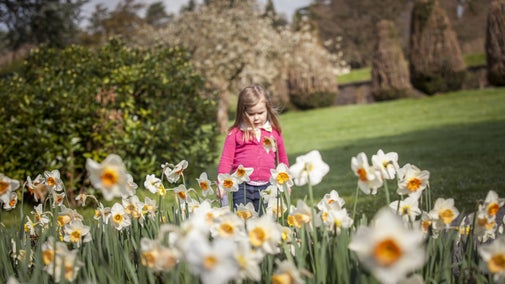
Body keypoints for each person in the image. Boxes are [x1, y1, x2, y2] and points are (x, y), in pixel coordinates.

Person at [217, 84, 289, 213]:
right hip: (241, 187)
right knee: (245, 221)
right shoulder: (235, 133)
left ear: (267, 109)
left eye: (260, 113)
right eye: (251, 114)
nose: (256, 118)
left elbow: (282, 159)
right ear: (242, 112)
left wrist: (285, 182)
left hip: (268, 186)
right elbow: (226, 160)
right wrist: (221, 184)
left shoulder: (274, 133)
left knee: (264, 224)